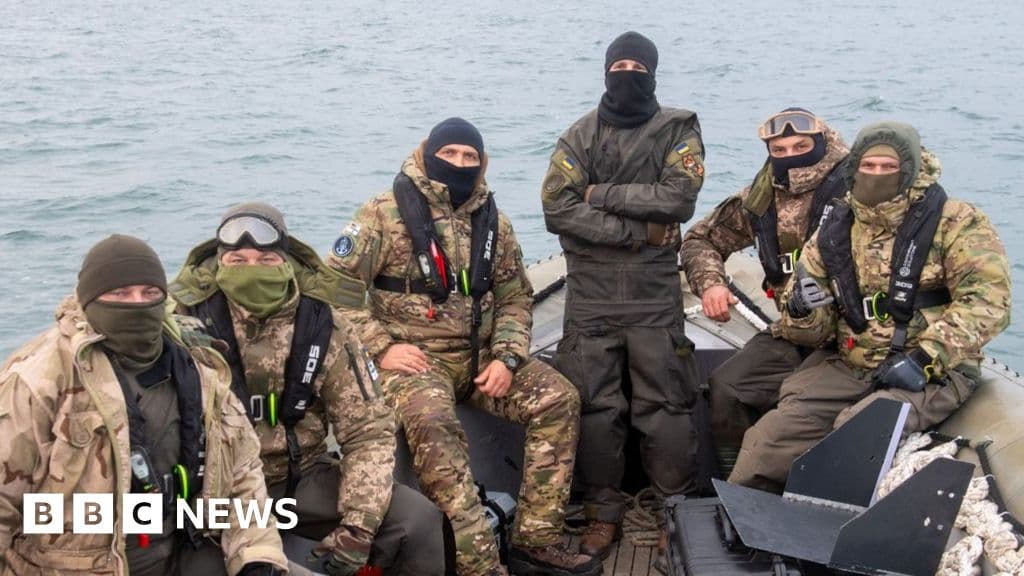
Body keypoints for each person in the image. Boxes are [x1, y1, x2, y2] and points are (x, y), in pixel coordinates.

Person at [327, 118, 600, 576]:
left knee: (558, 400)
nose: (458, 164)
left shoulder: (494, 222)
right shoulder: (381, 213)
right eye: (449, 154)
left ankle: (535, 538)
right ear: (428, 154)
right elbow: (334, 293)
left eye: (469, 157)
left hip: (479, 360)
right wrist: (380, 348)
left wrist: (507, 357)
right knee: (434, 426)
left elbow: (515, 296)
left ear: (481, 163)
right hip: (411, 363)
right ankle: (481, 564)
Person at [729, 121, 1012, 492]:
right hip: (854, 360)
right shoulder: (837, 224)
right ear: (855, 167)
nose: (877, 175)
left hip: (934, 369)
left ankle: (825, 538)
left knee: (856, 430)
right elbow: (815, 327)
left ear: (908, 168)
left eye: (888, 167)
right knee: (767, 441)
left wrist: (926, 357)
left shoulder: (956, 221)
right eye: (869, 166)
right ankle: (737, 526)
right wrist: (801, 309)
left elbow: (989, 300)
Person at [170, 203, 445, 576]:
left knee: (416, 522)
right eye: (237, 260)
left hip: (298, 479)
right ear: (219, 264)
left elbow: (368, 431)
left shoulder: (323, 325)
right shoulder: (180, 326)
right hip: (217, 488)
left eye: (265, 260)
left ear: (285, 262)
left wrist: (359, 525)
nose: (251, 270)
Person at [0, 235, 288, 575]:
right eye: (120, 295)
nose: (137, 304)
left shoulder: (197, 367)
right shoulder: (39, 378)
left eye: (149, 294)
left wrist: (257, 556)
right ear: (89, 300)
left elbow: (243, 477)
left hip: (183, 549)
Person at [540, 30, 705, 560]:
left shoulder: (678, 128)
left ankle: (673, 511)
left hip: (654, 294)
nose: (627, 72)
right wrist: (638, 231)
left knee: (667, 407)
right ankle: (601, 513)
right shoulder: (579, 135)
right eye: (620, 64)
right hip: (590, 294)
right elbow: (557, 210)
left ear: (652, 72)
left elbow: (678, 199)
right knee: (595, 406)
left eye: (637, 64)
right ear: (606, 71)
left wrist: (599, 195)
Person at [679, 108, 850, 463]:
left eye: (800, 146)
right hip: (795, 329)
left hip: (853, 334)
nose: (791, 156)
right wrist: (711, 284)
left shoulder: (857, 192)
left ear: (820, 142)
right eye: (780, 150)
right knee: (728, 387)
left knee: (801, 402)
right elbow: (700, 240)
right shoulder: (761, 198)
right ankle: (734, 480)